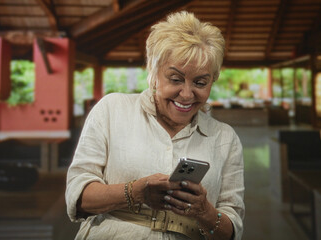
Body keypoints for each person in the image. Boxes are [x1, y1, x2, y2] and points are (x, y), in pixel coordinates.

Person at [65, 11, 245, 240]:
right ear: (153, 72)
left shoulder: (225, 138)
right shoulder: (112, 110)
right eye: (176, 79)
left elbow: (232, 231)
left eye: (200, 82)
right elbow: (78, 198)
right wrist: (136, 192)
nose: (187, 94)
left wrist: (204, 212)